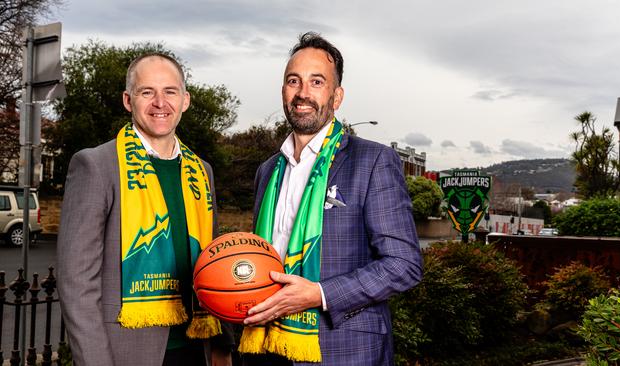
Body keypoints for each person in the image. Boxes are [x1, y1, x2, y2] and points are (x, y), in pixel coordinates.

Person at [238, 32, 423, 366]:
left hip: (343, 350)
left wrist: (319, 294)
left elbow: (403, 265)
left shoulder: (372, 161)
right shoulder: (268, 171)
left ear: (337, 96)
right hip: (266, 346)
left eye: (317, 82)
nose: (303, 93)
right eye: (293, 81)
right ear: (283, 91)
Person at [57, 53, 232, 366]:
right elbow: (76, 284)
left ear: (186, 100)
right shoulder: (96, 166)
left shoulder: (201, 171)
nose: (160, 103)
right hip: (128, 352)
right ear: (128, 100)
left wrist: (221, 343)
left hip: (196, 348)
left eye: (170, 92)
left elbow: (212, 265)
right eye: (147, 92)